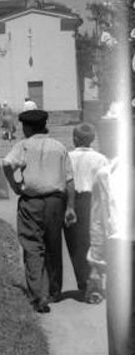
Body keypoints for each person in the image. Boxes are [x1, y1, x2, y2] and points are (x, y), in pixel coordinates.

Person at [87, 114, 135, 355]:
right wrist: (97, 265)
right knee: (124, 352)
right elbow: (100, 224)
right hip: (122, 258)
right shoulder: (109, 173)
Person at [2, 109, 77, 312]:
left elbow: (7, 163)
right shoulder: (59, 147)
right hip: (55, 202)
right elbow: (70, 180)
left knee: (33, 246)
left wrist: (14, 184)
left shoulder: (24, 146)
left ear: (28, 128)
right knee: (53, 244)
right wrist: (70, 207)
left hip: (31, 202)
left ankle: (38, 294)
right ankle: (54, 291)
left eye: (23, 127)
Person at [63, 122, 109, 303]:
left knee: (76, 245)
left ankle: (85, 284)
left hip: (73, 201)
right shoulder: (101, 159)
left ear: (74, 139)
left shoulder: (67, 157)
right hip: (94, 202)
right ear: (93, 139)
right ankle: (96, 284)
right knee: (95, 243)